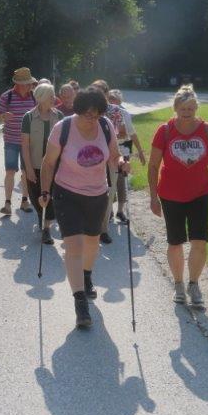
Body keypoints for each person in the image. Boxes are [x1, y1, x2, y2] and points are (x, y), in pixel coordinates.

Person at [39, 86, 129, 328]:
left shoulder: (105, 126)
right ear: (79, 110)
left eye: (97, 114)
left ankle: (87, 275)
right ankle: (80, 302)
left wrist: (122, 162)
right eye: (88, 114)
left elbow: (114, 156)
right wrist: (45, 191)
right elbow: (48, 163)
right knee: (74, 246)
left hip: (97, 194)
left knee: (92, 243)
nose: (93, 119)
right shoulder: (63, 128)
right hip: (66, 193)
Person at [147, 85, 208, 308]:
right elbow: (153, 165)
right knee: (175, 241)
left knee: (200, 241)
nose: (187, 112)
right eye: (183, 108)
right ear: (175, 108)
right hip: (170, 195)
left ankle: (194, 284)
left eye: (190, 108)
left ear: (196, 108)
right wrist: (153, 197)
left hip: (200, 193)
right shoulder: (165, 131)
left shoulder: (207, 130)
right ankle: (179, 284)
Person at [21, 82, 64, 244]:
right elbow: (25, 146)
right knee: (36, 197)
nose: (55, 98)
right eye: (51, 96)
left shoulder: (59, 117)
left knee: (51, 197)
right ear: (42, 98)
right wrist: (28, 168)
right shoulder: (28, 117)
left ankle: (46, 229)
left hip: (54, 166)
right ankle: (41, 214)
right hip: (35, 165)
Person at [0, 67, 38, 216]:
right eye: (27, 83)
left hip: (29, 142)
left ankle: (25, 201)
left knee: (26, 172)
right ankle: (7, 203)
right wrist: (3, 116)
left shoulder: (34, 97)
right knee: (10, 171)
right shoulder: (6, 97)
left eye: (30, 83)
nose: (30, 86)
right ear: (19, 84)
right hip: (11, 140)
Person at [108, 89, 147, 223]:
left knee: (121, 180)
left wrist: (140, 151)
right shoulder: (104, 112)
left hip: (123, 148)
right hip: (109, 150)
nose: (114, 104)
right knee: (110, 181)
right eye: (111, 100)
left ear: (120, 102)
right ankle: (109, 211)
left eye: (116, 101)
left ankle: (120, 211)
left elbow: (132, 133)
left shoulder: (124, 113)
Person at [90, 79, 121, 245]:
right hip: (89, 162)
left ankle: (103, 229)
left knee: (108, 193)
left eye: (100, 91)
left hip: (109, 159)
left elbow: (117, 136)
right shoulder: (84, 111)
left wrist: (120, 160)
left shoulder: (112, 113)